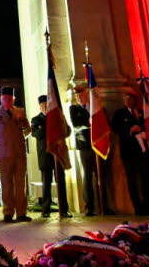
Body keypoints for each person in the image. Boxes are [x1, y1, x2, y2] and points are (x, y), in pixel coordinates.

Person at [0, 86, 31, 223]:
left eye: (10, 98)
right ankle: (8, 213)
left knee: (21, 184)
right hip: (4, 153)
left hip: (19, 153)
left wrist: (21, 137)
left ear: (13, 99)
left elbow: (28, 129)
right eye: (5, 98)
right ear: (1, 99)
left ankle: (21, 213)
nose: (7, 100)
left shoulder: (20, 112)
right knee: (6, 184)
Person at [111, 92, 149, 215]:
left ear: (135, 100)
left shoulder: (142, 112)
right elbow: (114, 128)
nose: (128, 101)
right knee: (132, 181)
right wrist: (129, 130)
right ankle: (137, 207)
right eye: (125, 98)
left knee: (146, 179)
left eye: (130, 98)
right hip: (128, 152)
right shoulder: (120, 113)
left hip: (143, 152)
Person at [31, 95, 69, 218]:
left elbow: (67, 131)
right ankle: (45, 210)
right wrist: (51, 127)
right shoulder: (36, 119)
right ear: (40, 107)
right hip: (45, 154)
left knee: (61, 182)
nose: (44, 107)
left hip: (58, 154)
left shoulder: (57, 117)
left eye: (46, 105)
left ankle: (64, 209)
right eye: (42, 105)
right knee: (46, 183)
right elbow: (36, 133)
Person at [69, 87, 102, 216]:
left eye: (81, 96)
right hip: (84, 146)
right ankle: (90, 207)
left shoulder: (93, 106)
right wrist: (89, 124)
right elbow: (76, 124)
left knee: (100, 175)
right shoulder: (74, 109)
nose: (79, 98)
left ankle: (102, 205)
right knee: (87, 176)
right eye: (77, 96)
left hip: (98, 144)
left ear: (86, 95)